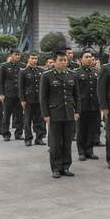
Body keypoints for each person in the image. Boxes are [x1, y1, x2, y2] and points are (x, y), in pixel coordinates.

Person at [40, 51, 80, 179]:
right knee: (55, 143)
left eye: (65, 60)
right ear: (54, 61)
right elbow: (43, 97)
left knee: (67, 142)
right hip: (54, 113)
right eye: (61, 60)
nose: (63, 62)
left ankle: (66, 166)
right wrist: (46, 114)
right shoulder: (47, 75)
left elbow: (76, 95)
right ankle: (56, 168)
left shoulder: (72, 74)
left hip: (69, 113)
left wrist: (77, 111)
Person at [75, 51, 100, 161]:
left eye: (90, 57)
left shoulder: (96, 72)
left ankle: (89, 150)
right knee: (81, 130)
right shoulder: (76, 73)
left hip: (94, 105)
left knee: (92, 129)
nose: (89, 59)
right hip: (82, 106)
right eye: (86, 57)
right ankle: (81, 151)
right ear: (81, 59)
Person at [18, 53, 45, 146]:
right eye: (32, 58)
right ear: (28, 59)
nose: (34, 60)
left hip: (39, 99)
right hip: (28, 99)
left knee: (39, 120)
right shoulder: (23, 72)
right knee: (27, 120)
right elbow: (21, 87)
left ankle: (39, 138)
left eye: (36, 58)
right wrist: (22, 100)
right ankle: (28, 138)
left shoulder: (41, 71)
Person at [0, 49, 24, 141]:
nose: (17, 56)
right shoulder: (4, 66)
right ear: (11, 55)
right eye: (15, 54)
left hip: (19, 95)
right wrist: (1, 93)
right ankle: (6, 134)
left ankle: (19, 134)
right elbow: (0, 81)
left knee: (19, 115)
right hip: (8, 94)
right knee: (7, 115)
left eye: (19, 55)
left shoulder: (22, 66)